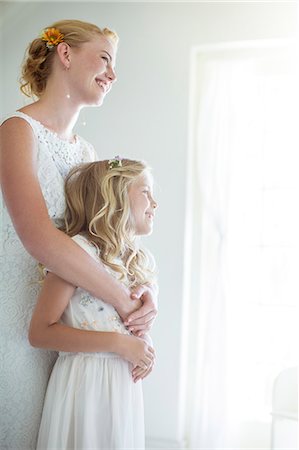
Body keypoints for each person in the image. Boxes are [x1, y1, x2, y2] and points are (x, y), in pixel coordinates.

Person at [0, 20, 157, 449]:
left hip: (71, 327)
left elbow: (105, 239)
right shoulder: (16, 131)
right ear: (65, 55)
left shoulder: (85, 154)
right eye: (105, 58)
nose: (113, 73)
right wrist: (123, 302)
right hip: (16, 321)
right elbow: (40, 240)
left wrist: (144, 294)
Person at [29, 158, 157, 449]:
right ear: (117, 195)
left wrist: (145, 346)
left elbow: (132, 325)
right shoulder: (76, 253)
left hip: (122, 391)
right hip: (84, 387)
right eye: (146, 192)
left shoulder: (137, 262)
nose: (155, 203)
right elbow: (40, 332)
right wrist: (119, 344)